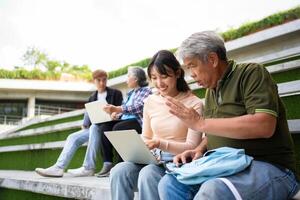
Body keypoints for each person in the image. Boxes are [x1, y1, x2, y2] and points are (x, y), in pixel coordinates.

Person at [159, 31, 299, 200]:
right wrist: (198, 150)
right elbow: (216, 131)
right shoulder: (211, 91)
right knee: (169, 184)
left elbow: (264, 125)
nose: (191, 75)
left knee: (213, 190)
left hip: (269, 166)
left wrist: (200, 123)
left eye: (192, 66)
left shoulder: (251, 73)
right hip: (226, 165)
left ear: (212, 59)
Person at [110, 50, 204, 200]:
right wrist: (136, 147)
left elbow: (193, 146)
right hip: (153, 159)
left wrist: (159, 143)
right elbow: (147, 136)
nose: (159, 83)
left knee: (148, 174)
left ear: (178, 73)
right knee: (119, 171)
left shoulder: (194, 104)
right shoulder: (150, 101)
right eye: (154, 78)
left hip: (178, 162)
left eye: (164, 76)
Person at [35, 69, 123, 177]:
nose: (102, 83)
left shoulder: (116, 94)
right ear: (94, 81)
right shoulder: (92, 97)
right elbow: (88, 113)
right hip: (93, 128)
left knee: (94, 127)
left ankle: (88, 168)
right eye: (99, 80)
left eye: (104, 80)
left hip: (108, 127)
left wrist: (114, 115)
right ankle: (58, 168)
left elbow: (120, 112)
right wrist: (84, 124)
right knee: (73, 137)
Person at [68, 66, 152, 177]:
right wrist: (116, 114)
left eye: (128, 76)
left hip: (137, 121)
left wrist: (118, 109)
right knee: (104, 127)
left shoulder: (146, 91)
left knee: (118, 128)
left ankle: (119, 163)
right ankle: (107, 163)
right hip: (125, 120)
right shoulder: (131, 93)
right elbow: (124, 109)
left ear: (135, 79)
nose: (126, 79)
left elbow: (139, 107)